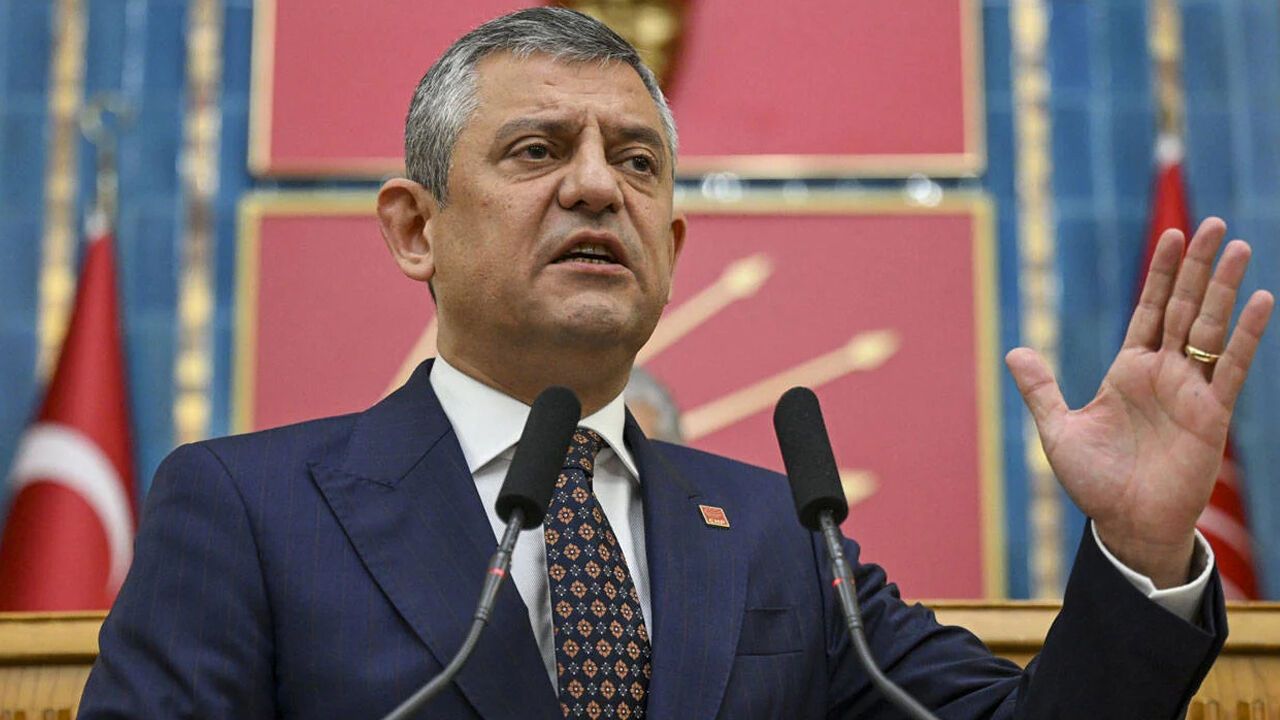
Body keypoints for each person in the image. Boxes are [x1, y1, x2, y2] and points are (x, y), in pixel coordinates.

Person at [79, 8, 1274, 719]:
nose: (596, 186)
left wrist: (1139, 548)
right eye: (536, 149)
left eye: (637, 163)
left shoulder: (775, 538)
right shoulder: (247, 510)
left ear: (672, 245)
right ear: (414, 228)